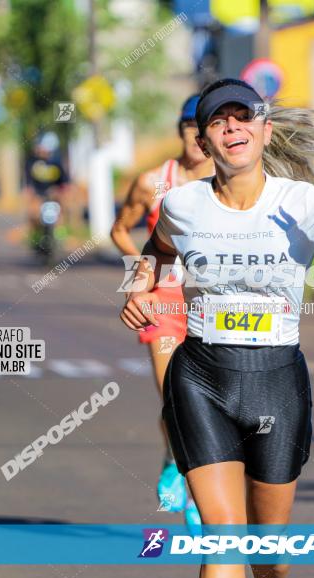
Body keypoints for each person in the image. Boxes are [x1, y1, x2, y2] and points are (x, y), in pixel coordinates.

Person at [119, 79, 314, 578]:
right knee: (224, 536)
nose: (232, 125)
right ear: (205, 142)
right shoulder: (182, 204)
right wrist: (138, 291)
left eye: (243, 116)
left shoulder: (302, 203)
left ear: (265, 131)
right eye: (218, 120)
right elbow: (156, 249)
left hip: (276, 380)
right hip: (200, 377)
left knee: (267, 556)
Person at [110, 95, 214, 529]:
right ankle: (186, 476)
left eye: (202, 126)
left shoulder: (227, 180)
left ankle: (188, 467)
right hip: (162, 303)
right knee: (175, 397)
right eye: (188, 125)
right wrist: (142, 265)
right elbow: (119, 230)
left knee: (208, 404)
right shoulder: (154, 181)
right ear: (179, 130)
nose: (194, 133)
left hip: (211, 304)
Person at [24, 131, 70, 245]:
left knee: (61, 212)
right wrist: (30, 192)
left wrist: (62, 192)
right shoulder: (32, 161)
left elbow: (64, 182)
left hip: (53, 196)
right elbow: (28, 182)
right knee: (34, 212)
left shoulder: (56, 163)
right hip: (38, 194)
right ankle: (35, 236)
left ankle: (60, 235)